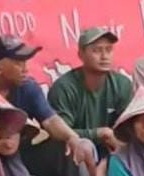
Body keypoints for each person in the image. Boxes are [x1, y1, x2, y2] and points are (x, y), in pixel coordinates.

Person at [0, 35, 94, 170]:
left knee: (65, 148)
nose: (25, 69)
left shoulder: (28, 87)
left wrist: (72, 137)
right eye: (18, 63)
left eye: (25, 63)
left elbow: (49, 120)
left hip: (23, 155)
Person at [47, 27, 132, 159]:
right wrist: (98, 133)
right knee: (81, 147)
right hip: (73, 155)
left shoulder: (122, 84)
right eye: (97, 50)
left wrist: (109, 161)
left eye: (108, 50)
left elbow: (128, 130)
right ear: (81, 54)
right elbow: (61, 135)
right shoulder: (64, 88)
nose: (104, 56)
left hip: (112, 152)